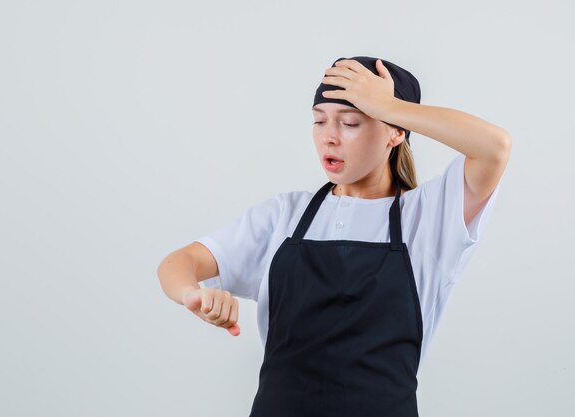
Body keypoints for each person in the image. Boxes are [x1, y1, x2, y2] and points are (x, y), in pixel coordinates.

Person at [157, 55, 511, 416]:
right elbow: (178, 263)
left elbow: (494, 147)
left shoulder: (429, 217)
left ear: (396, 132)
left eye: (351, 122)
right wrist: (192, 294)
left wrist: (387, 105)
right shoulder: (285, 216)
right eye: (319, 120)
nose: (329, 136)